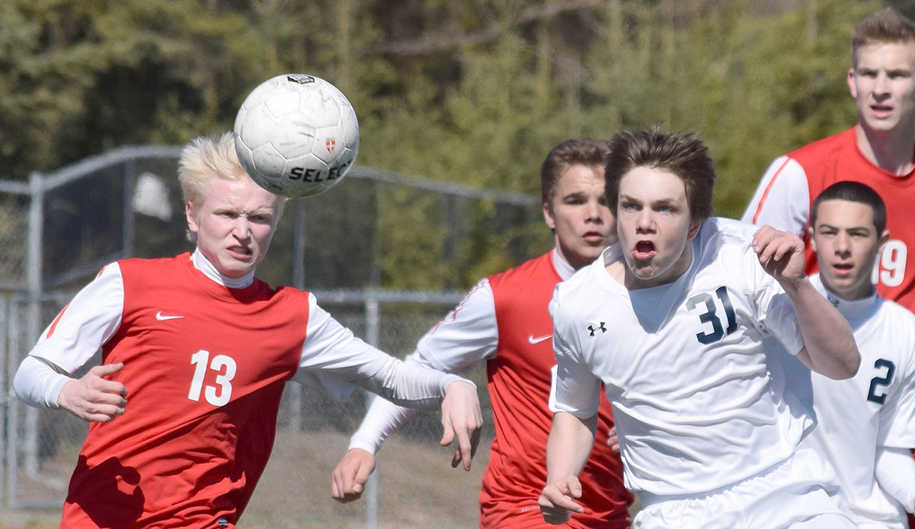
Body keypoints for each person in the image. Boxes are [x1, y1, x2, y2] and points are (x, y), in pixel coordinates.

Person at [12, 132, 483, 529]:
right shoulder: (129, 282)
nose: (243, 231)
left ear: (275, 224)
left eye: (259, 218)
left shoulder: (293, 316)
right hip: (99, 517)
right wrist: (67, 390)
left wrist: (451, 384)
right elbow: (29, 373)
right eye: (228, 215)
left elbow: (393, 378)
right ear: (193, 215)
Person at [539, 128, 860, 529]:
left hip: (783, 494)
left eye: (665, 209)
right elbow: (574, 408)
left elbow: (842, 364)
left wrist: (796, 285)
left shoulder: (743, 256)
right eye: (630, 206)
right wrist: (559, 478)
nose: (644, 223)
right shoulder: (577, 304)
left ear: (695, 222)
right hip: (672, 512)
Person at [741, 8, 915, 528]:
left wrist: (898, 381)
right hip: (809, 402)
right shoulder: (799, 172)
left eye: (896, 75)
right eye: (869, 73)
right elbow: (739, 287)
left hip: (905, 401)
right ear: (852, 81)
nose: (880, 88)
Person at [331, 138, 632, 528]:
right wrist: (364, 443)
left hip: (612, 513)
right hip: (526, 510)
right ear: (548, 213)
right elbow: (419, 366)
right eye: (575, 201)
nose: (593, 214)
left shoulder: (647, 296)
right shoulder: (505, 297)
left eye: (605, 200)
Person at [798, 181, 915, 529]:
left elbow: (888, 449)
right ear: (811, 237)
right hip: (790, 516)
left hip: (872, 520)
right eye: (828, 232)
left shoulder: (909, 335)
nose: (841, 247)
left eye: (857, 234)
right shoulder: (777, 310)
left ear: (882, 243)